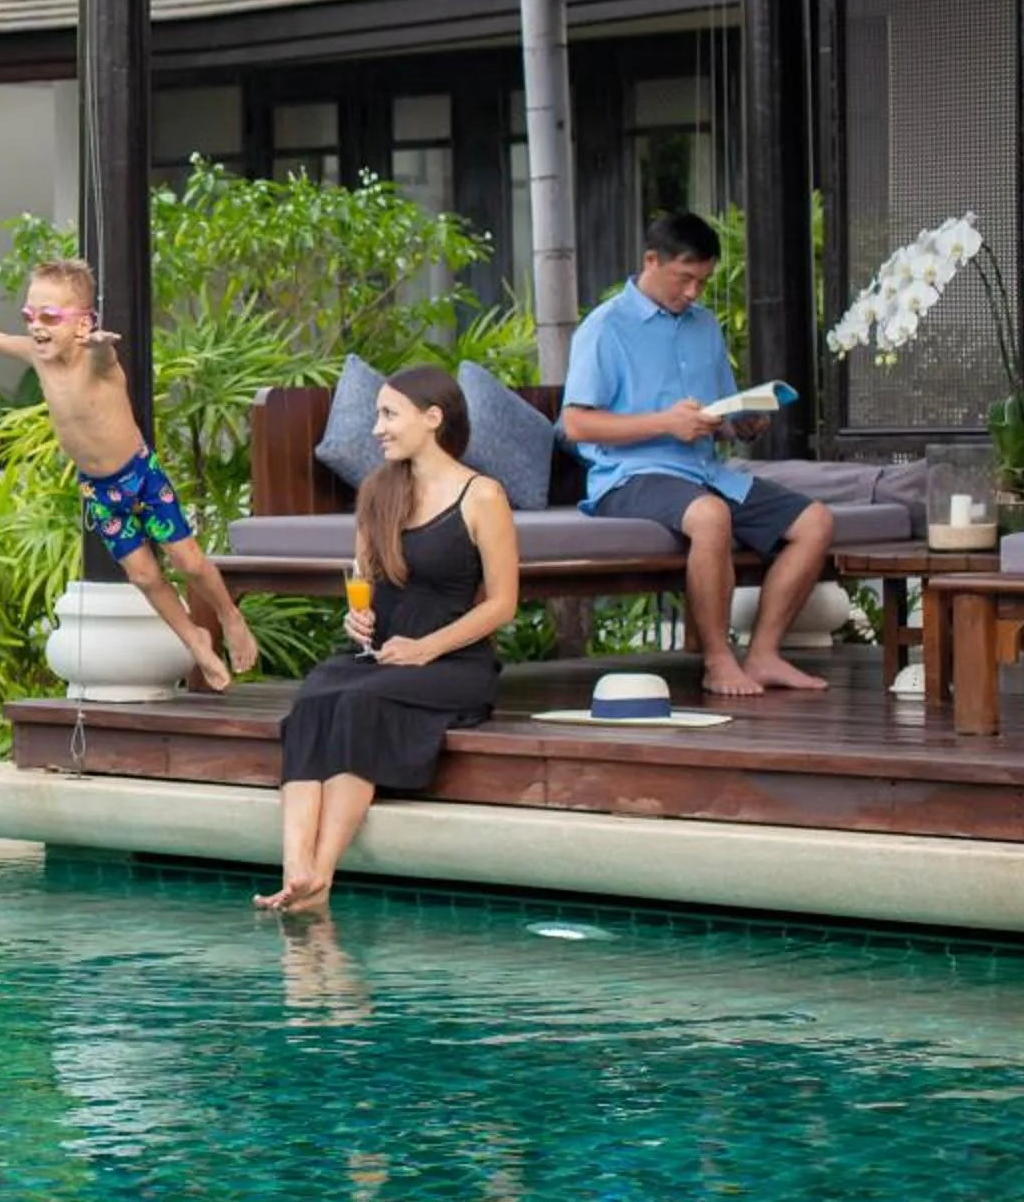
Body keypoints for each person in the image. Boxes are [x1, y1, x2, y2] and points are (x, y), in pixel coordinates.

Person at [0, 260, 254, 689]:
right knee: (144, 576)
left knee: (189, 561)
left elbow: (105, 357)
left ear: (83, 322)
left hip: (139, 475)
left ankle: (228, 615)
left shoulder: (98, 362)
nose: (37, 326)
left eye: (50, 316)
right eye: (29, 316)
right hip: (99, 488)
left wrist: (101, 346)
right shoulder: (37, 357)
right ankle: (195, 642)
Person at [257, 365, 517, 911]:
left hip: (451, 661)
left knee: (355, 702)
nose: (377, 427)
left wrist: (426, 648)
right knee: (312, 701)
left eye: (388, 414)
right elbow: (364, 581)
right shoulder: (377, 491)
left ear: (433, 418)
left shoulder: (482, 496)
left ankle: (320, 877)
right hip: (380, 652)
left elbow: (502, 605)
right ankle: (294, 870)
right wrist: (358, 619)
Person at [560, 210, 834, 697]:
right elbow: (576, 423)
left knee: (815, 522)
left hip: (706, 471)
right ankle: (717, 659)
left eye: (702, 282)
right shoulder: (605, 327)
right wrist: (666, 422)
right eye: (684, 279)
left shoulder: (704, 324)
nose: (693, 293)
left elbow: (715, 413)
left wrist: (739, 422)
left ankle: (765, 653)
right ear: (651, 261)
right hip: (629, 476)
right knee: (710, 518)